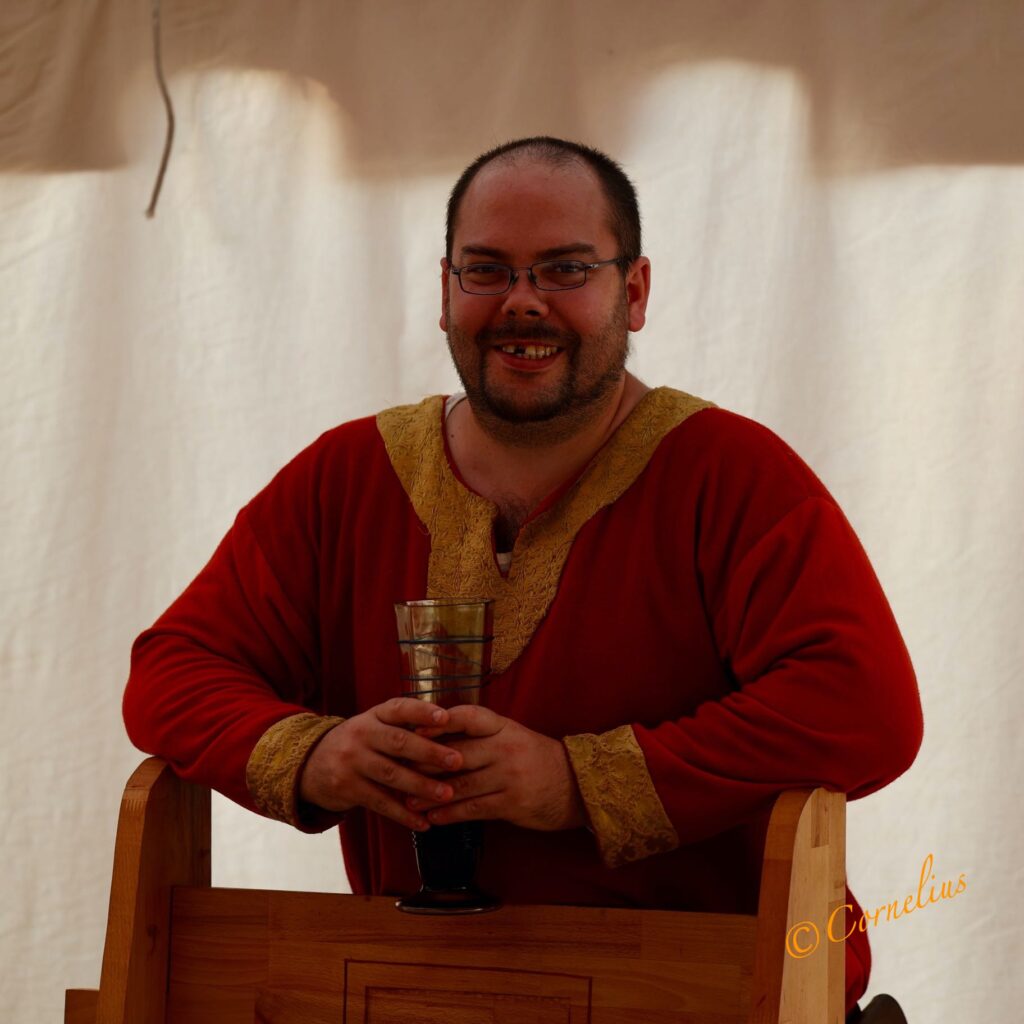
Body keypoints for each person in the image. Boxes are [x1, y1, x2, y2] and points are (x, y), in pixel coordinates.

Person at [123, 136, 923, 1019]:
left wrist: (577, 782)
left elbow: (863, 708)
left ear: (635, 292)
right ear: (444, 292)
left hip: (709, 1000)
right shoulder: (346, 477)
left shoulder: (732, 474)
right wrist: (319, 755)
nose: (523, 302)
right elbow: (173, 670)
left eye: (566, 269)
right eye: (487, 270)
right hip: (411, 995)